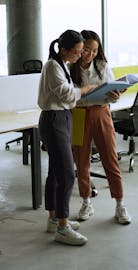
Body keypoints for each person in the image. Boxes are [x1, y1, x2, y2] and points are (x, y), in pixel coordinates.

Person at [38, 29, 95, 246]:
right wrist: (87, 89)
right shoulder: (53, 66)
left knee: (55, 170)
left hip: (62, 117)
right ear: (64, 50)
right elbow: (67, 94)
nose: (80, 56)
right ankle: (62, 227)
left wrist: (80, 92)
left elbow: (68, 95)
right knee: (67, 174)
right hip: (54, 119)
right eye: (77, 52)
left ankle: (54, 218)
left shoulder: (61, 64)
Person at [70, 30, 131, 225]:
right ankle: (86, 202)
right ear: (79, 48)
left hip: (101, 113)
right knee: (81, 161)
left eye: (95, 50)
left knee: (110, 158)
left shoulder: (103, 66)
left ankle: (120, 205)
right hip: (79, 115)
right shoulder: (70, 68)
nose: (90, 54)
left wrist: (115, 95)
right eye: (87, 49)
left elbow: (112, 91)